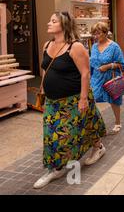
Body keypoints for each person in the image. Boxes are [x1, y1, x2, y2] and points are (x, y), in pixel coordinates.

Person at [34, 12, 107, 189]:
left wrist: (83, 99)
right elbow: (45, 69)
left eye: (53, 21)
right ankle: (56, 167)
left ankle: (97, 147)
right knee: (52, 135)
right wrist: (43, 88)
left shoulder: (75, 47)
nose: (48, 23)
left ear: (64, 24)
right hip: (53, 101)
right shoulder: (47, 44)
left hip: (73, 99)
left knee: (81, 127)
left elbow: (85, 73)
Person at [90, 22, 124, 134]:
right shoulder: (94, 46)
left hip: (110, 78)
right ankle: (96, 124)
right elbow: (92, 63)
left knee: (114, 100)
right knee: (91, 99)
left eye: (98, 33)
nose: (96, 36)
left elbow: (122, 65)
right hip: (96, 78)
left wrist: (108, 66)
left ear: (105, 33)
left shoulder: (114, 47)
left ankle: (117, 122)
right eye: (94, 34)